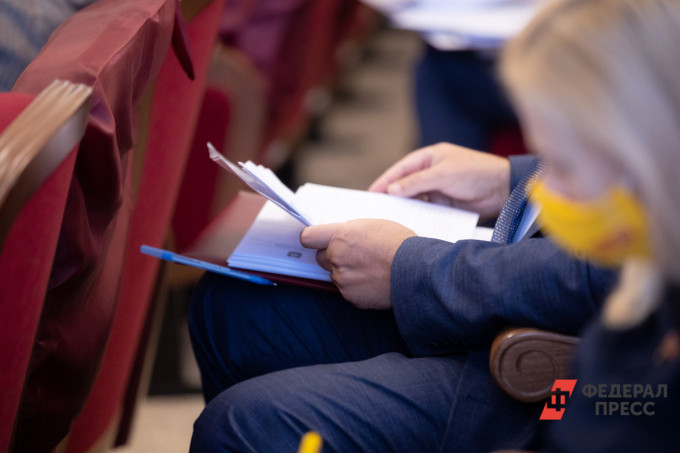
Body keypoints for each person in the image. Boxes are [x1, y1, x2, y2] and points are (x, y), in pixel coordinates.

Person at [188, 139, 617, 451]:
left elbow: (610, 274)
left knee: (245, 425)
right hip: (532, 290)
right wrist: (518, 179)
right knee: (233, 307)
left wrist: (409, 268)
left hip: (572, 378)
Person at [498, 0, 680, 450]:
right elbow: (571, 397)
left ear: (647, 160)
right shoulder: (645, 285)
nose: (541, 190)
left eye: (560, 166)